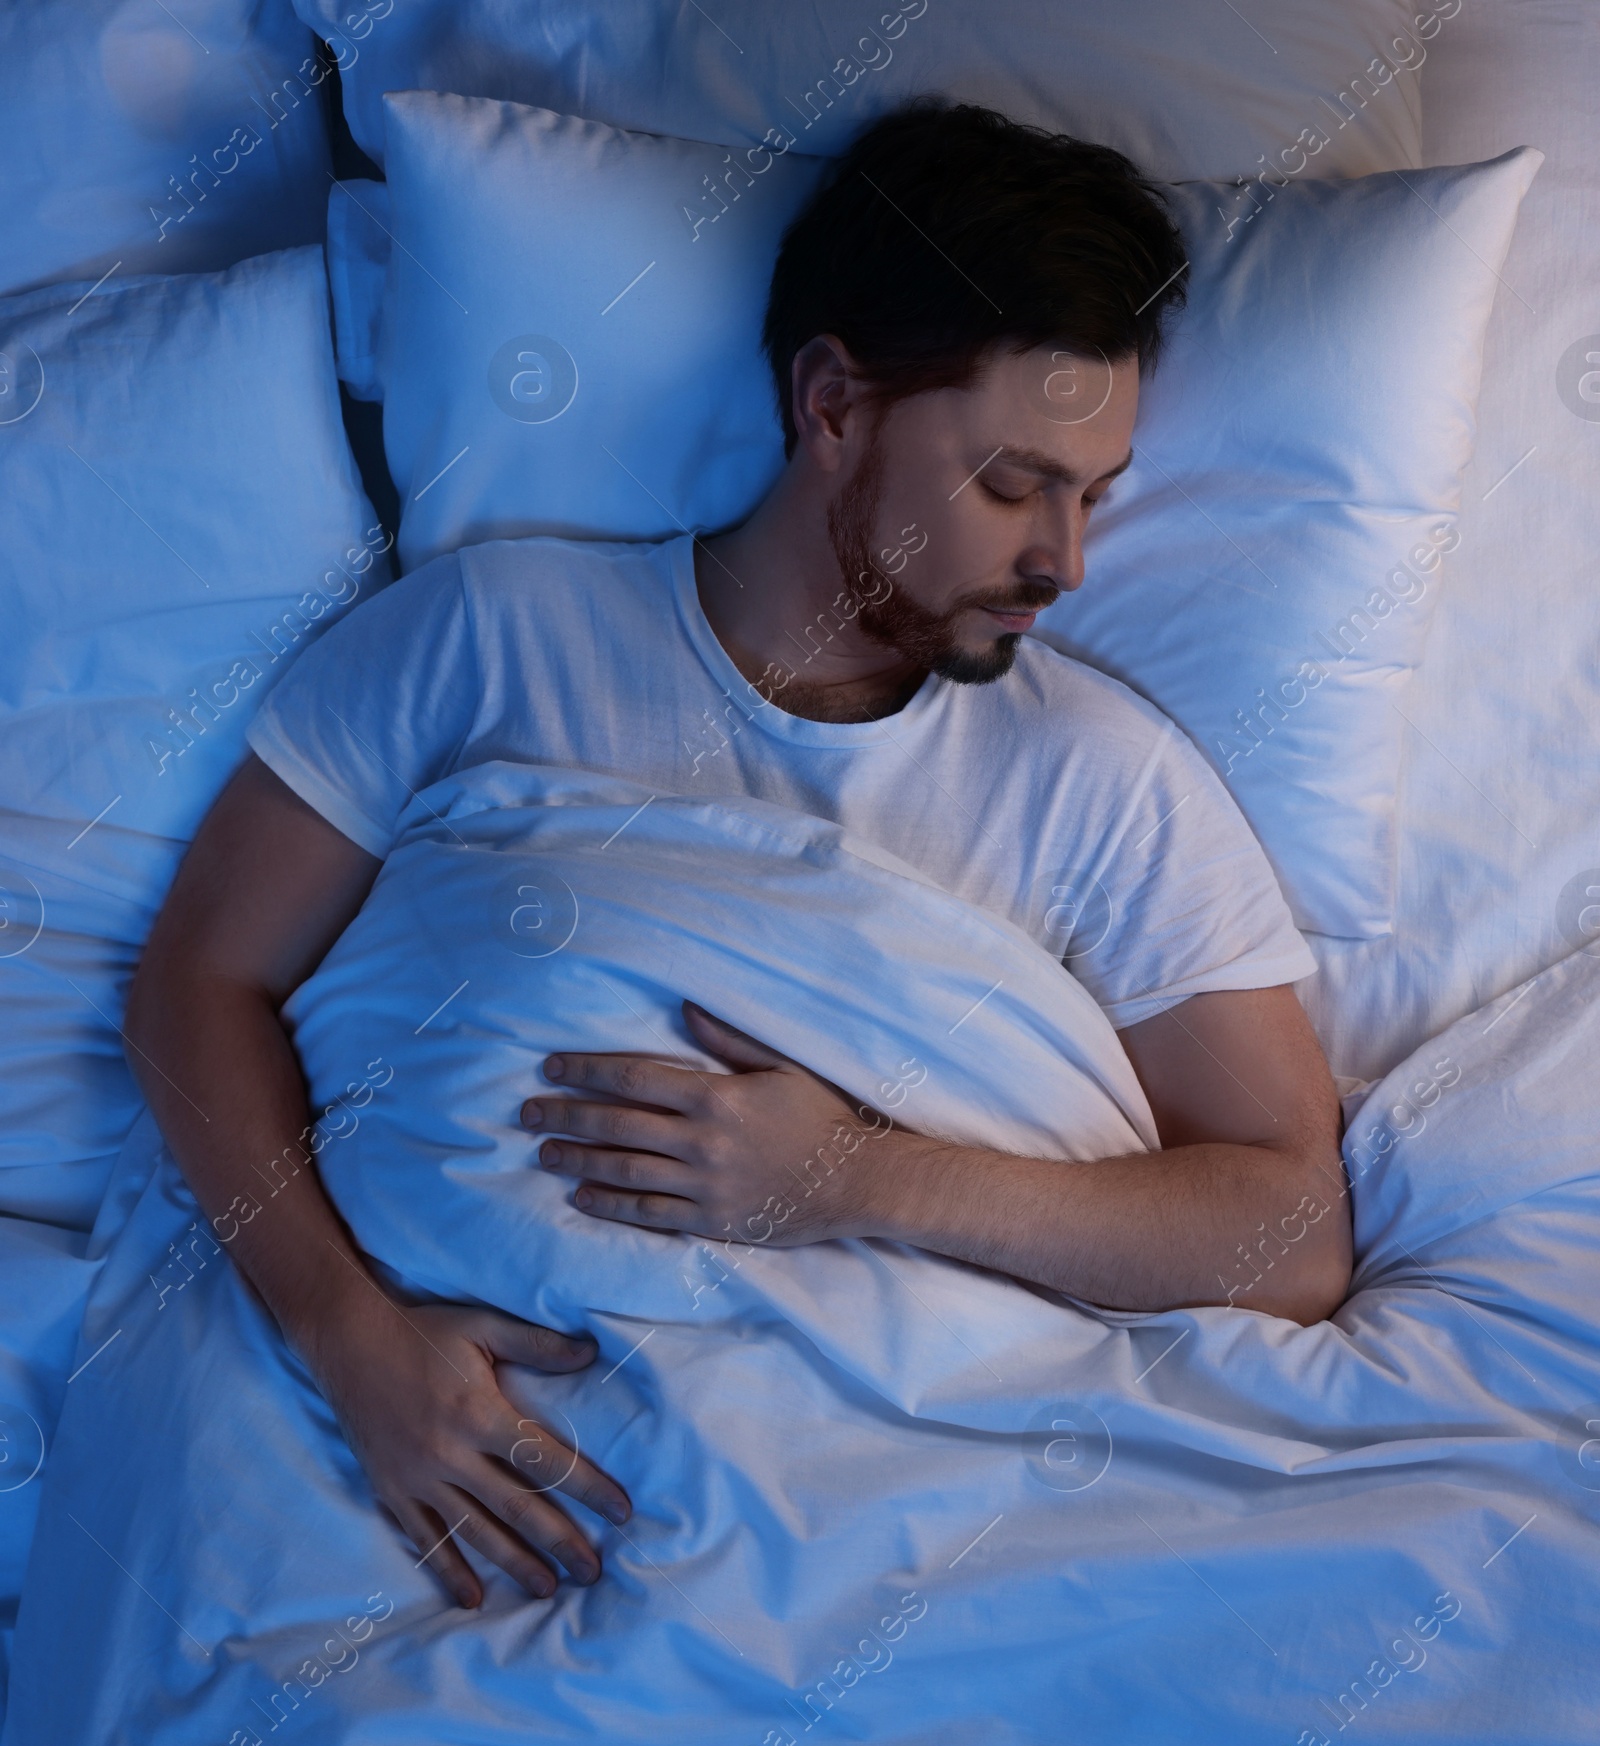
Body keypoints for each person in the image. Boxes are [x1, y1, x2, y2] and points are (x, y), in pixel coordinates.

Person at [126, 101, 1351, 1613]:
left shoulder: (1105, 780)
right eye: (1012, 484)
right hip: (401, 1459)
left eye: (1093, 495)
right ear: (832, 405)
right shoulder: (494, 636)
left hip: (871, 1539)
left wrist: (858, 1180)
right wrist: (352, 1345)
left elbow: (1290, 1236)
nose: (1065, 562)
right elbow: (198, 983)